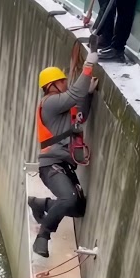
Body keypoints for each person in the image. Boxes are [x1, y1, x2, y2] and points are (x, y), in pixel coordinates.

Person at [27, 50, 100, 258]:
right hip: (51, 166)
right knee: (68, 198)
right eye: (62, 81)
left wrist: (89, 95)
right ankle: (43, 236)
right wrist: (87, 66)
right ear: (52, 85)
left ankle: (40, 204)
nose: (65, 84)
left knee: (77, 208)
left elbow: (80, 116)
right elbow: (75, 94)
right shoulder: (49, 103)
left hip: (63, 166)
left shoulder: (62, 107)